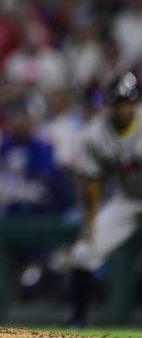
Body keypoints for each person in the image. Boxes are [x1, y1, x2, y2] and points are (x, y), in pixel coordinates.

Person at [67, 71, 142, 327]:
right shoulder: (95, 134)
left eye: (127, 102)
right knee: (82, 253)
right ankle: (78, 320)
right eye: (118, 102)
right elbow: (91, 181)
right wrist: (89, 222)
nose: (123, 108)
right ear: (109, 104)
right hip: (128, 199)